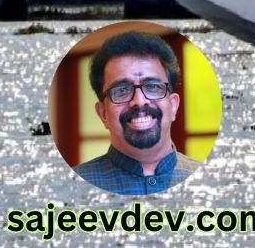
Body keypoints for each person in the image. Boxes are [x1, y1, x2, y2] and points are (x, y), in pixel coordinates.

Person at [72, 32, 202, 195]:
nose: (139, 101)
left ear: (174, 106)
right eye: (121, 90)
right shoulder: (72, 187)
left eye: (153, 87)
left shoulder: (211, 181)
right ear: (103, 113)